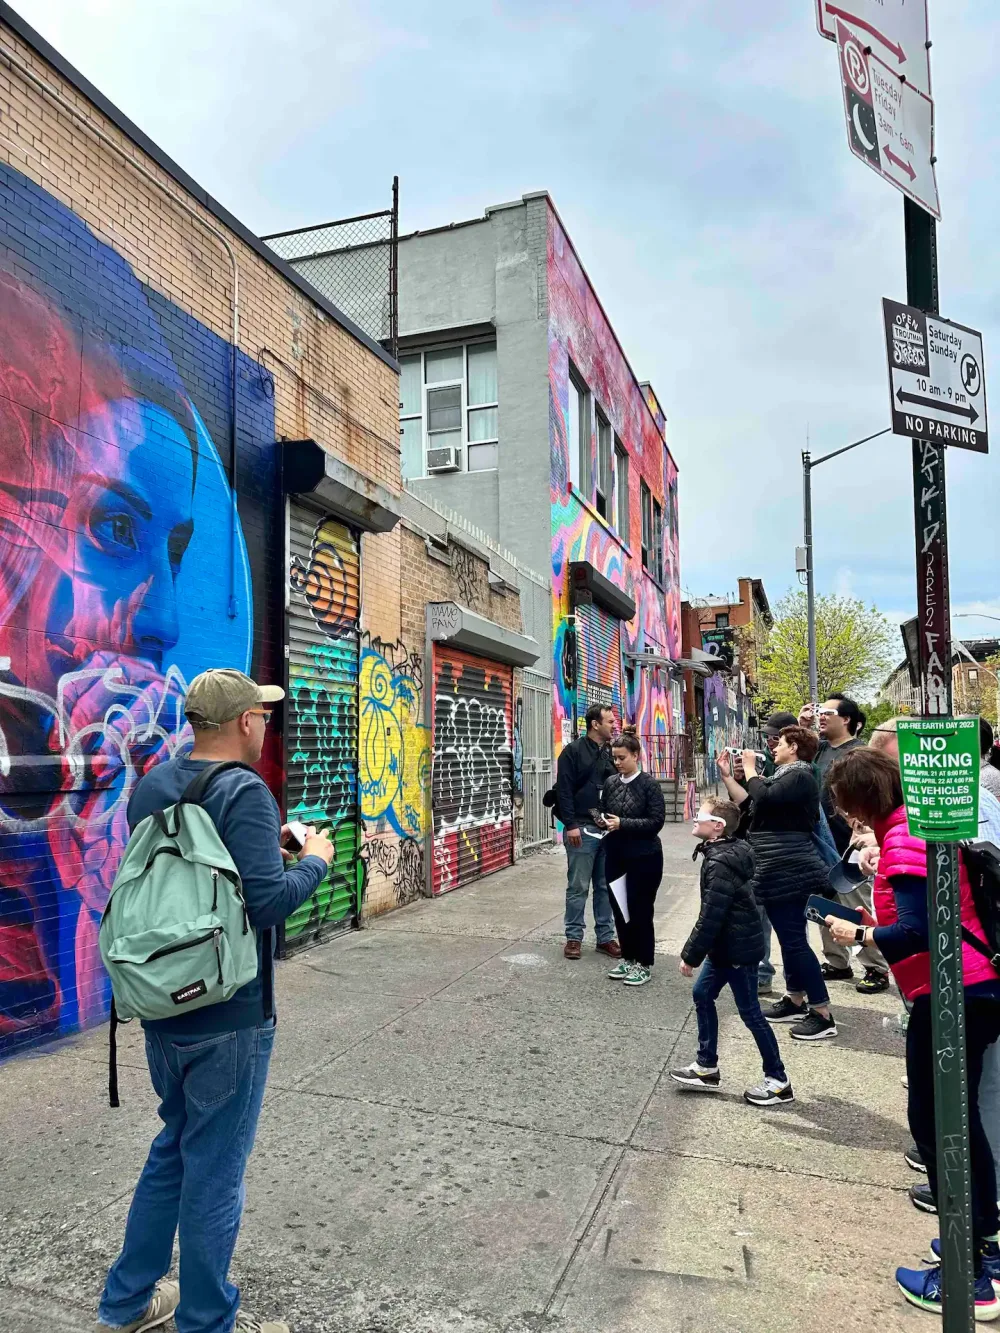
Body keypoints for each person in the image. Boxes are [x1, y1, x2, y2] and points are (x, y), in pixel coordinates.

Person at [96, 669, 335, 1333]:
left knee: (175, 1146)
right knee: (216, 1172)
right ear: (243, 722)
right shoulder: (245, 792)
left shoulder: (154, 785)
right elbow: (267, 903)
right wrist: (313, 857)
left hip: (162, 1005)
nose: (267, 723)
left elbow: (189, 874)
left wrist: (268, 845)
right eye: (262, 713)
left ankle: (124, 1304)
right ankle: (206, 1320)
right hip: (230, 1015)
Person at [825, 747, 1000, 1318]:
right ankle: (981, 1250)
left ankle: (967, 1274)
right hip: (970, 989)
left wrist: (859, 936)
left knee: (940, 1122)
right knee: (962, 1118)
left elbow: (920, 931)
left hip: (956, 994)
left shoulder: (900, 838)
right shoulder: (916, 824)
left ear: (859, 801)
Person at [670, 797, 794, 1106]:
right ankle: (706, 1065)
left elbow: (713, 912)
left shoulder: (720, 861)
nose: (694, 820)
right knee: (702, 994)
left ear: (717, 826)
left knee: (751, 1013)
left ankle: (779, 1081)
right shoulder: (725, 851)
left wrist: (690, 954)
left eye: (700, 815)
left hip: (736, 950)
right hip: (727, 947)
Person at [721, 726, 838, 1041]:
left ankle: (823, 1013)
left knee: (795, 941)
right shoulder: (784, 777)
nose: (773, 747)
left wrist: (749, 770)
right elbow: (752, 804)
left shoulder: (800, 776)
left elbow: (765, 795)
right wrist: (729, 777)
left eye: (780, 743)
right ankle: (796, 998)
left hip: (788, 866)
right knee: (791, 938)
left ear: (795, 747)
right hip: (776, 866)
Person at [555, 704, 621, 961]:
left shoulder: (613, 752)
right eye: (609, 721)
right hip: (581, 828)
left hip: (608, 829)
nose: (613, 725)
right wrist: (570, 825)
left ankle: (605, 937)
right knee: (578, 886)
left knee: (605, 886)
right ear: (595, 724)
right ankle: (574, 937)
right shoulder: (573, 752)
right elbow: (564, 791)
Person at [600, 733, 665, 987]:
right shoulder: (611, 783)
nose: (617, 762)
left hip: (644, 856)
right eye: (614, 758)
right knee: (620, 909)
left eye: (622, 758)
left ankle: (644, 962)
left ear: (636, 756)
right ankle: (627, 957)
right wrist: (603, 821)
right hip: (616, 854)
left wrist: (623, 823)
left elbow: (655, 822)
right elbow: (607, 810)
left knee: (640, 910)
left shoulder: (649, 785)